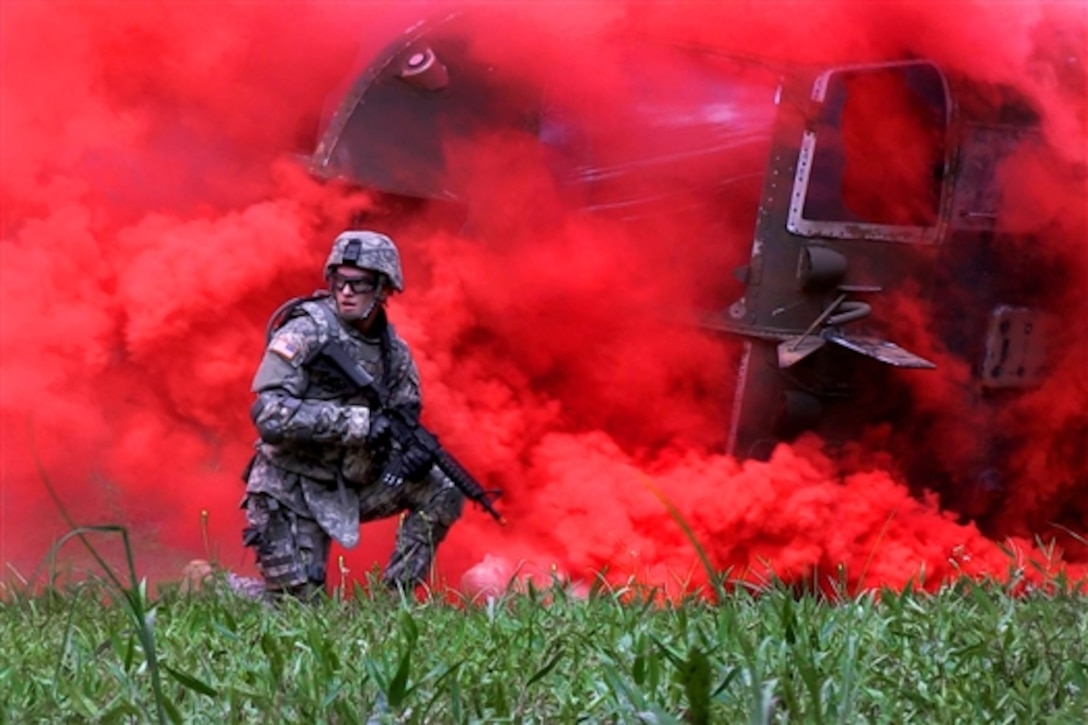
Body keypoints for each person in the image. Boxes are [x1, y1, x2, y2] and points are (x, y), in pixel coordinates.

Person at [241, 230, 463, 599]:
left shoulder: (394, 353)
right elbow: (269, 414)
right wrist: (358, 424)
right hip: (291, 487)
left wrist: (411, 458)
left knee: (443, 487)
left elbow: (402, 415)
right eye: (338, 281)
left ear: (383, 289)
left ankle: (394, 602)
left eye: (358, 284)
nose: (345, 292)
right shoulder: (305, 331)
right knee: (296, 609)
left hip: (350, 483)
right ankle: (215, 585)